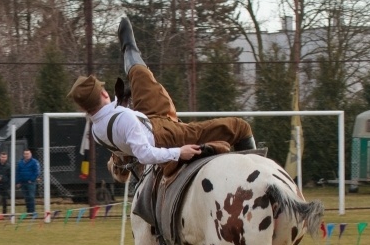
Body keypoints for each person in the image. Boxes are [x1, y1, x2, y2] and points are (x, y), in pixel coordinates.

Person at [67, 17, 255, 169]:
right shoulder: (124, 118)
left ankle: (130, 50)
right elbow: (144, 154)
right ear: (103, 95)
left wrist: (123, 102)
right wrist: (178, 152)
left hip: (147, 121)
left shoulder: (96, 130)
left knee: (140, 77)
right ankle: (253, 175)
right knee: (239, 126)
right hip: (165, 136)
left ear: (85, 108)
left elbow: (121, 127)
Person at [16, 149, 40, 215]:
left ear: (30, 154)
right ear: (23, 155)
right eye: (25, 154)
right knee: (26, 197)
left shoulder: (34, 162)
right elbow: (18, 172)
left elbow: (37, 172)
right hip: (23, 183)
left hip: (31, 183)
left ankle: (33, 211)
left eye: (28, 154)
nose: (26, 155)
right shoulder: (20, 162)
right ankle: (28, 211)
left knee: (31, 196)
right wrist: (18, 182)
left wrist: (31, 180)